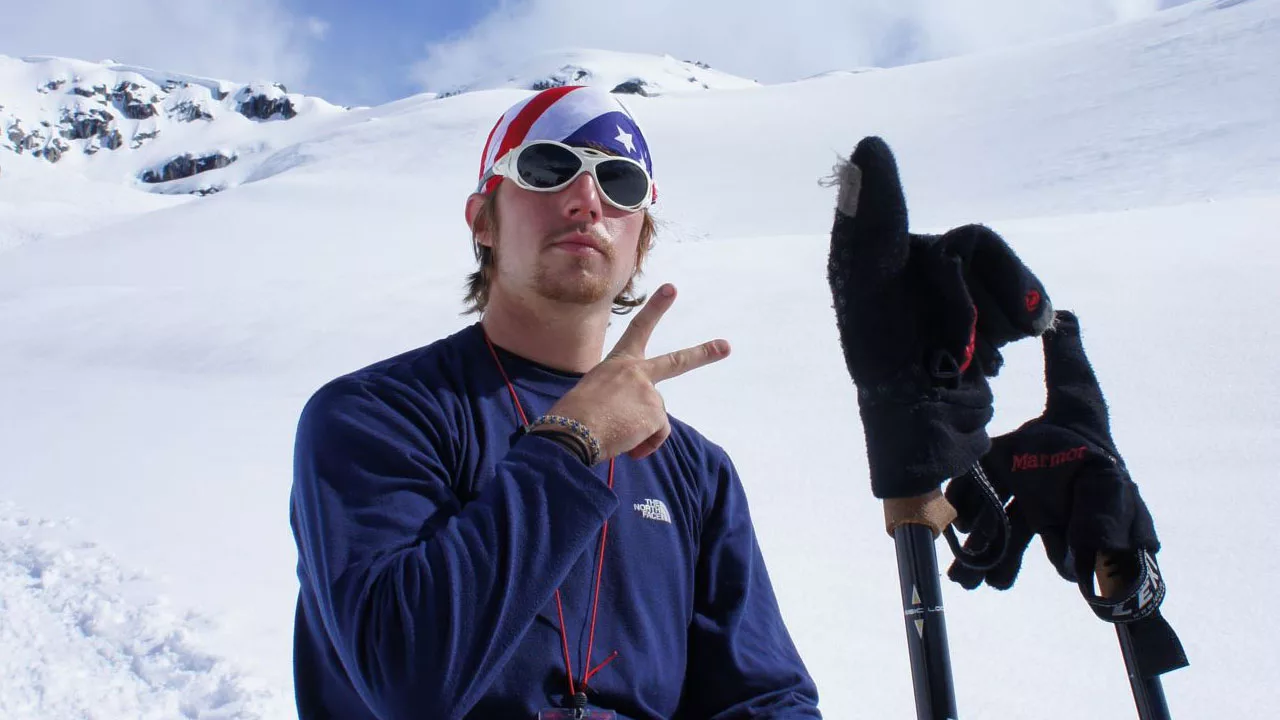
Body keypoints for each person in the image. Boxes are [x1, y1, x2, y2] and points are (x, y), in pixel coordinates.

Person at [289, 85, 822, 719]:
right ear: (483, 221)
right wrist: (571, 444)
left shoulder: (696, 471)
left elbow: (763, 696)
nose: (587, 200)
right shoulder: (376, 415)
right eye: (549, 168)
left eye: (620, 183)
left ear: (640, 243)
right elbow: (407, 676)